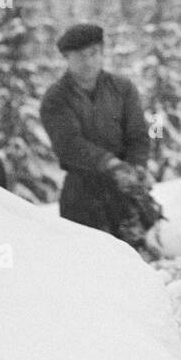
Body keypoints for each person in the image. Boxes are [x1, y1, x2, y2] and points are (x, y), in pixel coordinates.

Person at [39, 23, 159, 251]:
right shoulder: (56, 98)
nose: (88, 61)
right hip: (82, 194)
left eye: (94, 53)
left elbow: (138, 135)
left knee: (145, 254)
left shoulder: (122, 88)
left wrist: (137, 168)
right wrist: (110, 164)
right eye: (80, 56)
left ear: (102, 52)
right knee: (88, 261)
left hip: (125, 189)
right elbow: (69, 144)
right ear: (67, 58)